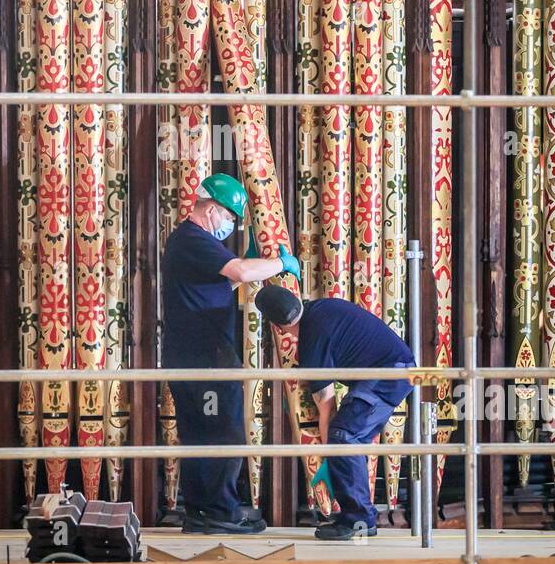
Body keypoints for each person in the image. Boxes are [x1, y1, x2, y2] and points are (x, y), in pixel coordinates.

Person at [161, 173, 300, 534]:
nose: (231, 225)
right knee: (221, 431)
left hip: (193, 355)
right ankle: (218, 513)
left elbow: (225, 281)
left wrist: (252, 264)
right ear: (211, 209)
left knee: (201, 433)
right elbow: (237, 270)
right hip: (204, 358)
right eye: (230, 217)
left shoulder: (187, 243)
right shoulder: (193, 238)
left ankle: (202, 512)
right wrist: (281, 264)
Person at [254, 285, 413, 540]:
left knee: (343, 436)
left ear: (277, 327)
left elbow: (327, 405)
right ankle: (359, 516)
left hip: (388, 375)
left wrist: (329, 454)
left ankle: (358, 520)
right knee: (352, 440)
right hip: (395, 371)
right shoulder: (322, 306)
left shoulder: (311, 344)